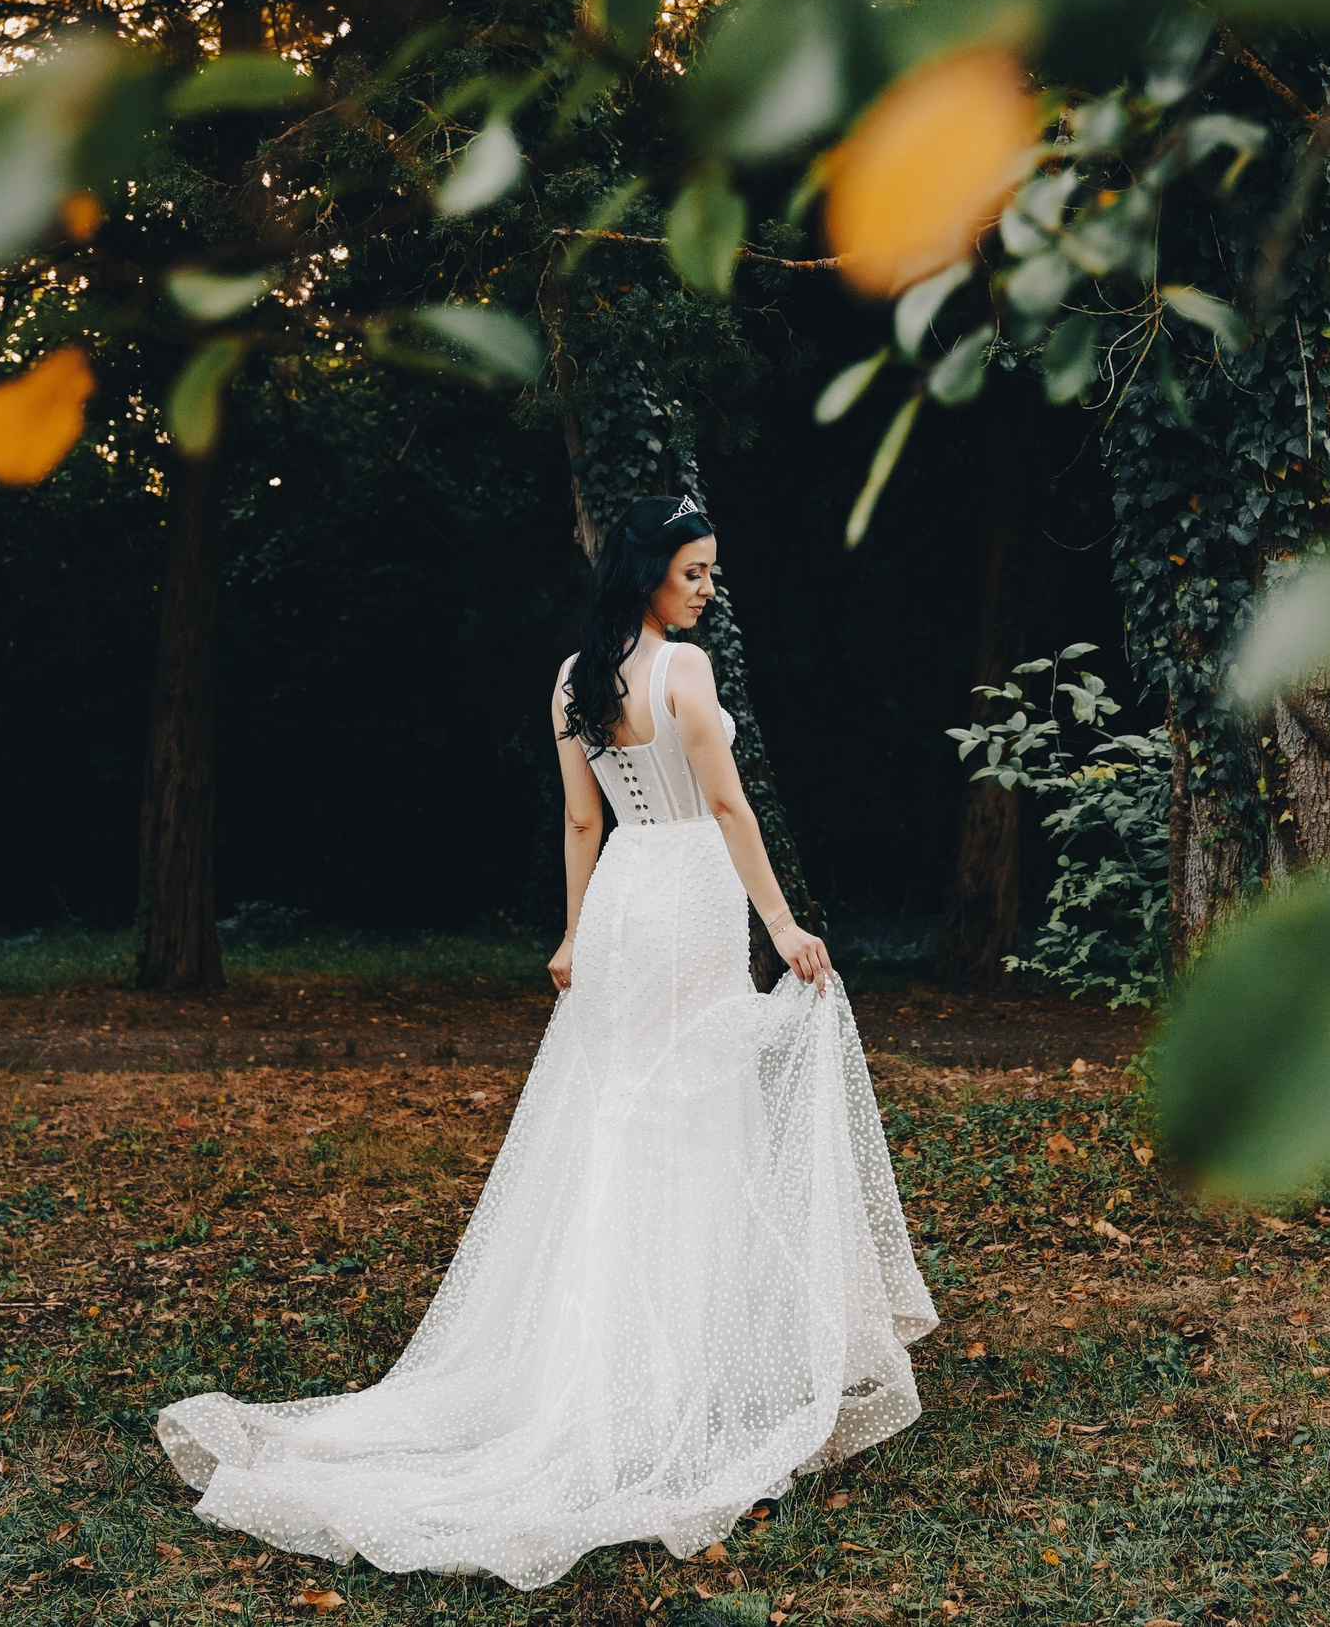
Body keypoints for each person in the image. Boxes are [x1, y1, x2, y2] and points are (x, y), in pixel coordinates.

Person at [155, 492, 939, 1590]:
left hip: (624, 897)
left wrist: (574, 932)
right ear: (650, 575)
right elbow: (725, 810)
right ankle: (667, 1383)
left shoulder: (573, 679)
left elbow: (581, 818)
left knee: (623, 1121)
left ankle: (614, 1360)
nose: (710, 589)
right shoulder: (686, 675)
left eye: (712, 571)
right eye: (697, 572)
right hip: (689, 899)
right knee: (691, 1119)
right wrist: (780, 921)